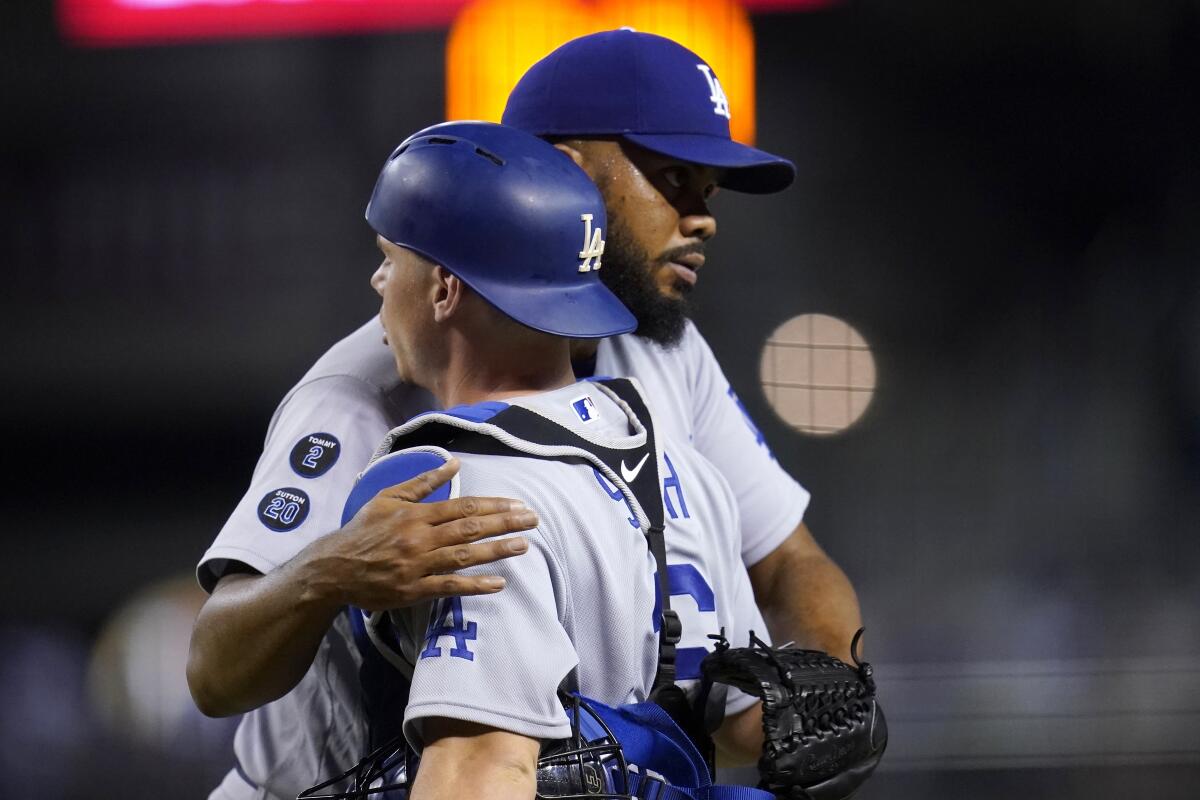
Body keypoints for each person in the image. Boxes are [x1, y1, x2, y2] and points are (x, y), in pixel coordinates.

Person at [188, 29, 860, 800]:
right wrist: (330, 571)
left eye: (707, 191)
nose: (702, 218)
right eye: (675, 179)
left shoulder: (663, 352)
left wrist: (830, 695)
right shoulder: (362, 394)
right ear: (569, 174)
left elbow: (786, 559)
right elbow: (214, 670)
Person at [324, 120, 767, 799]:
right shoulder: (686, 468)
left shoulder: (462, 489)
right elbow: (742, 728)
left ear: (444, 288)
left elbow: (484, 768)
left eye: (393, 256)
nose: (380, 279)